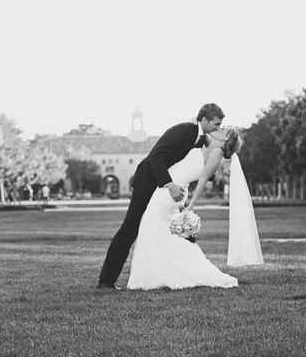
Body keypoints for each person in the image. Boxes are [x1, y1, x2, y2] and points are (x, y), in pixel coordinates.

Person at [96, 103, 225, 289]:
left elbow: (198, 161)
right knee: (130, 229)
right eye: (216, 124)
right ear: (204, 120)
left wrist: (212, 171)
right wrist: (169, 185)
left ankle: (182, 274)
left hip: (168, 193)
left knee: (179, 230)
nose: (218, 128)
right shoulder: (182, 131)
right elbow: (156, 157)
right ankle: (106, 280)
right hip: (148, 185)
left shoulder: (201, 136)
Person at [127, 126, 263, 290]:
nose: (218, 128)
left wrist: (191, 205)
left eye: (223, 129)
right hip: (166, 187)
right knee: (157, 229)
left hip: (174, 192)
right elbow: (199, 129)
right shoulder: (207, 144)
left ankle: (163, 274)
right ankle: (159, 273)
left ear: (225, 138)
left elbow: (202, 182)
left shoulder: (216, 153)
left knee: (152, 224)